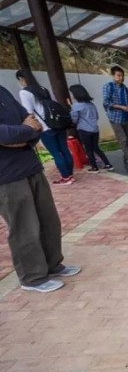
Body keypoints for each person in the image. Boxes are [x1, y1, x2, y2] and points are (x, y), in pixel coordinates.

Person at [0, 84, 81, 293]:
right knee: (24, 227)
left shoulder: (3, 90)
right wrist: (25, 132)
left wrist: (23, 135)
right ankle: (32, 277)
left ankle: (53, 264)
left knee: (48, 220)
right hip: (6, 176)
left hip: (31, 166)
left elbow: (33, 121)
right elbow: (5, 133)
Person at [16, 69, 74, 184]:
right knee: (64, 149)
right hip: (58, 124)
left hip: (45, 127)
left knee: (55, 153)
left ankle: (66, 177)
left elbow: (29, 112)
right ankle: (70, 175)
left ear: (21, 79)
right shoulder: (43, 89)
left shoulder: (24, 92)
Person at [69, 84, 113, 173]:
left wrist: (71, 109)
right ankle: (108, 164)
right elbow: (96, 116)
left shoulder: (76, 106)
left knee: (88, 149)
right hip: (95, 129)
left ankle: (94, 167)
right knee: (96, 148)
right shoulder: (91, 104)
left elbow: (74, 119)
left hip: (84, 130)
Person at [102, 65, 128, 170]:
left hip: (125, 117)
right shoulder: (108, 87)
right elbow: (106, 103)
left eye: (122, 75)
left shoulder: (125, 89)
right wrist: (121, 107)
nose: (121, 77)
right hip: (115, 118)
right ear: (113, 76)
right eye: (119, 75)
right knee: (123, 140)